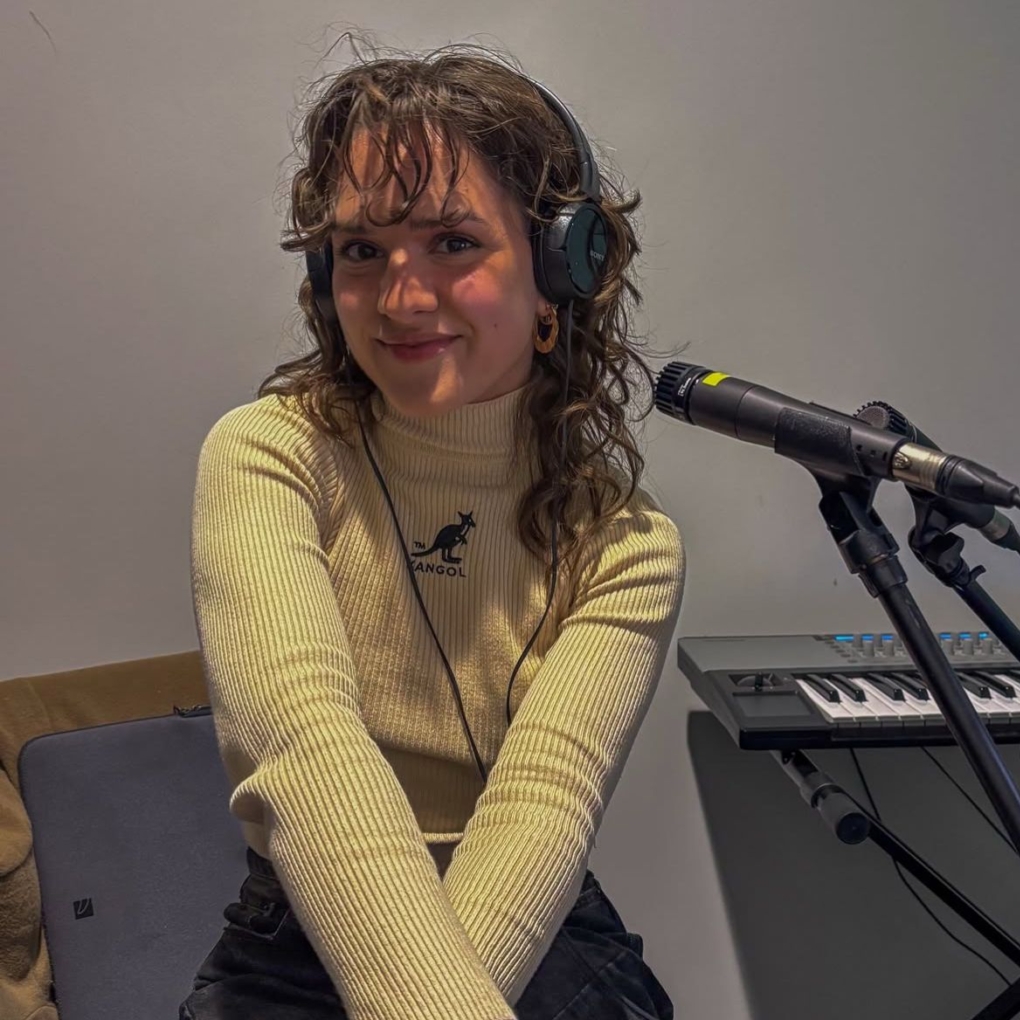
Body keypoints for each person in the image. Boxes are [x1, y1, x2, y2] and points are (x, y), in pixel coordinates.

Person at [179, 33, 685, 1020]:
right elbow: (304, 754)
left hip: (536, 917)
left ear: (559, 270)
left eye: (453, 242)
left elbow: (545, 804)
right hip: (300, 927)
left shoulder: (624, 542)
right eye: (363, 251)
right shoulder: (268, 453)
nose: (402, 299)